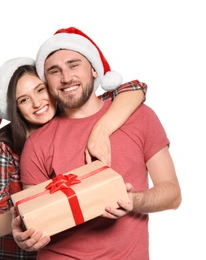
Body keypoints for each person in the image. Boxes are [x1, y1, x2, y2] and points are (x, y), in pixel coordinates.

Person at [13, 27, 182, 259]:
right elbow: (34, 216)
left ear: (94, 70)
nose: (66, 77)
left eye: (74, 65)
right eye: (54, 71)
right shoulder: (37, 143)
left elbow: (172, 194)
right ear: (47, 83)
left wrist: (136, 201)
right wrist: (26, 238)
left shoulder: (139, 116)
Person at [0, 54, 147, 260]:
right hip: (12, 254)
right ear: (15, 108)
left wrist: (101, 129)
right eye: (23, 100)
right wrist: (24, 216)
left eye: (40, 90)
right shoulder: (3, 148)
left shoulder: (75, 115)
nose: (37, 103)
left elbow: (134, 89)